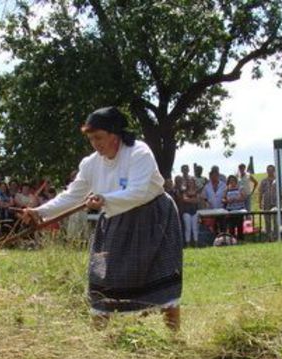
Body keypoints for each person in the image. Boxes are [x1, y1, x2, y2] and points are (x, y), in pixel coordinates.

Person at [21, 106, 183, 330]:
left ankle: (174, 338)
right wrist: (39, 212)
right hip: (115, 221)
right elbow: (72, 195)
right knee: (102, 278)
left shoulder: (139, 153)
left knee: (161, 276)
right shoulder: (90, 164)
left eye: (99, 137)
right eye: (91, 139)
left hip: (153, 219)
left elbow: (137, 192)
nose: (95, 144)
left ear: (114, 135)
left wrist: (104, 199)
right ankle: (97, 338)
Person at [258, 165, 277, 241]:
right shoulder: (264, 181)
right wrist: (259, 202)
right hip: (266, 202)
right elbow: (260, 192)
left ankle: (276, 235)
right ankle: (268, 236)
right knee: (267, 220)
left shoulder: (277, 180)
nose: (270, 171)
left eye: (271, 170)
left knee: (276, 220)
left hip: (275, 202)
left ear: (274, 171)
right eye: (268, 170)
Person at [181, 177, 200, 247]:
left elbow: (197, 200)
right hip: (186, 212)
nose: (190, 183)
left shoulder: (197, 191)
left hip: (195, 211)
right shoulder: (184, 191)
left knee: (195, 228)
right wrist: (193, 199)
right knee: (188, 228)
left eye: (192, 182)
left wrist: (189, 199)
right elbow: (184, 199)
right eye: (189, 182)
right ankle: (188, 244)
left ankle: (196, 244)